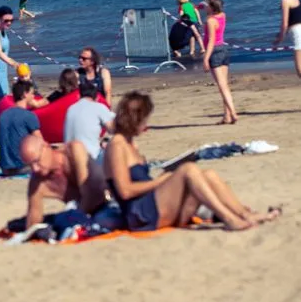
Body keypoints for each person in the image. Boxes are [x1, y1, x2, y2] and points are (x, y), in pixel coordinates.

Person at [104, 92, 277, 231]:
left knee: (209, 174)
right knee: (188, 169)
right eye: (145, 120)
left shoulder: (129, 143)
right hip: (141, 215)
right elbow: (125, 191)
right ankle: (229, 218)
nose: (146, 126)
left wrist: (164, 180)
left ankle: (244, 214)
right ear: (136, 119)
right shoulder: (117, 146)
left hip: (154, 205)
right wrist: (160, 182)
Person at [20, 135, 109, 228]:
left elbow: (88, 193)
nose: (35, 168)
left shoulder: (72, 151)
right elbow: (32, 224)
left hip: (107, 201)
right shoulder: (37, 181)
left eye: (37, 161)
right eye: (30, 165)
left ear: (46, 147)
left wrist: (72, 218)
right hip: (84, 212)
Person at [201, 0, 237, 124]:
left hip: (215, 52)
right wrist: (203, 5)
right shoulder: (222, 15)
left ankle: (232, 112)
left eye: (207, 5)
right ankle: (226, 116)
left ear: (211, 7)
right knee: (225, 85)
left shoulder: (210, 21)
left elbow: (210, 41)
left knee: (222, 86)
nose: (205, 6)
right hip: (223, 49)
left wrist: (206, 58)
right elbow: (208, 8)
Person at [0, 80, 43, 176]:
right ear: (25, 94)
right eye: (32, 93)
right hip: (22, 167)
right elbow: (40, 142)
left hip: (5, 168)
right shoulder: (28, 115)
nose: (34, 96)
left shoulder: (3, 115)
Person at [63, 80, 115, 162]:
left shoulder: (70, 109)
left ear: (79, 96)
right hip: (91, 158)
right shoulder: (98, 107)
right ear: (97, 98)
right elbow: (112, 129)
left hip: (70, 159)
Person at [275, 0, 301, 78]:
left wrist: (280, 38)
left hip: (297, 33)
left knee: (299, 68)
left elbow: (284, 23)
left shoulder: (286, 0)